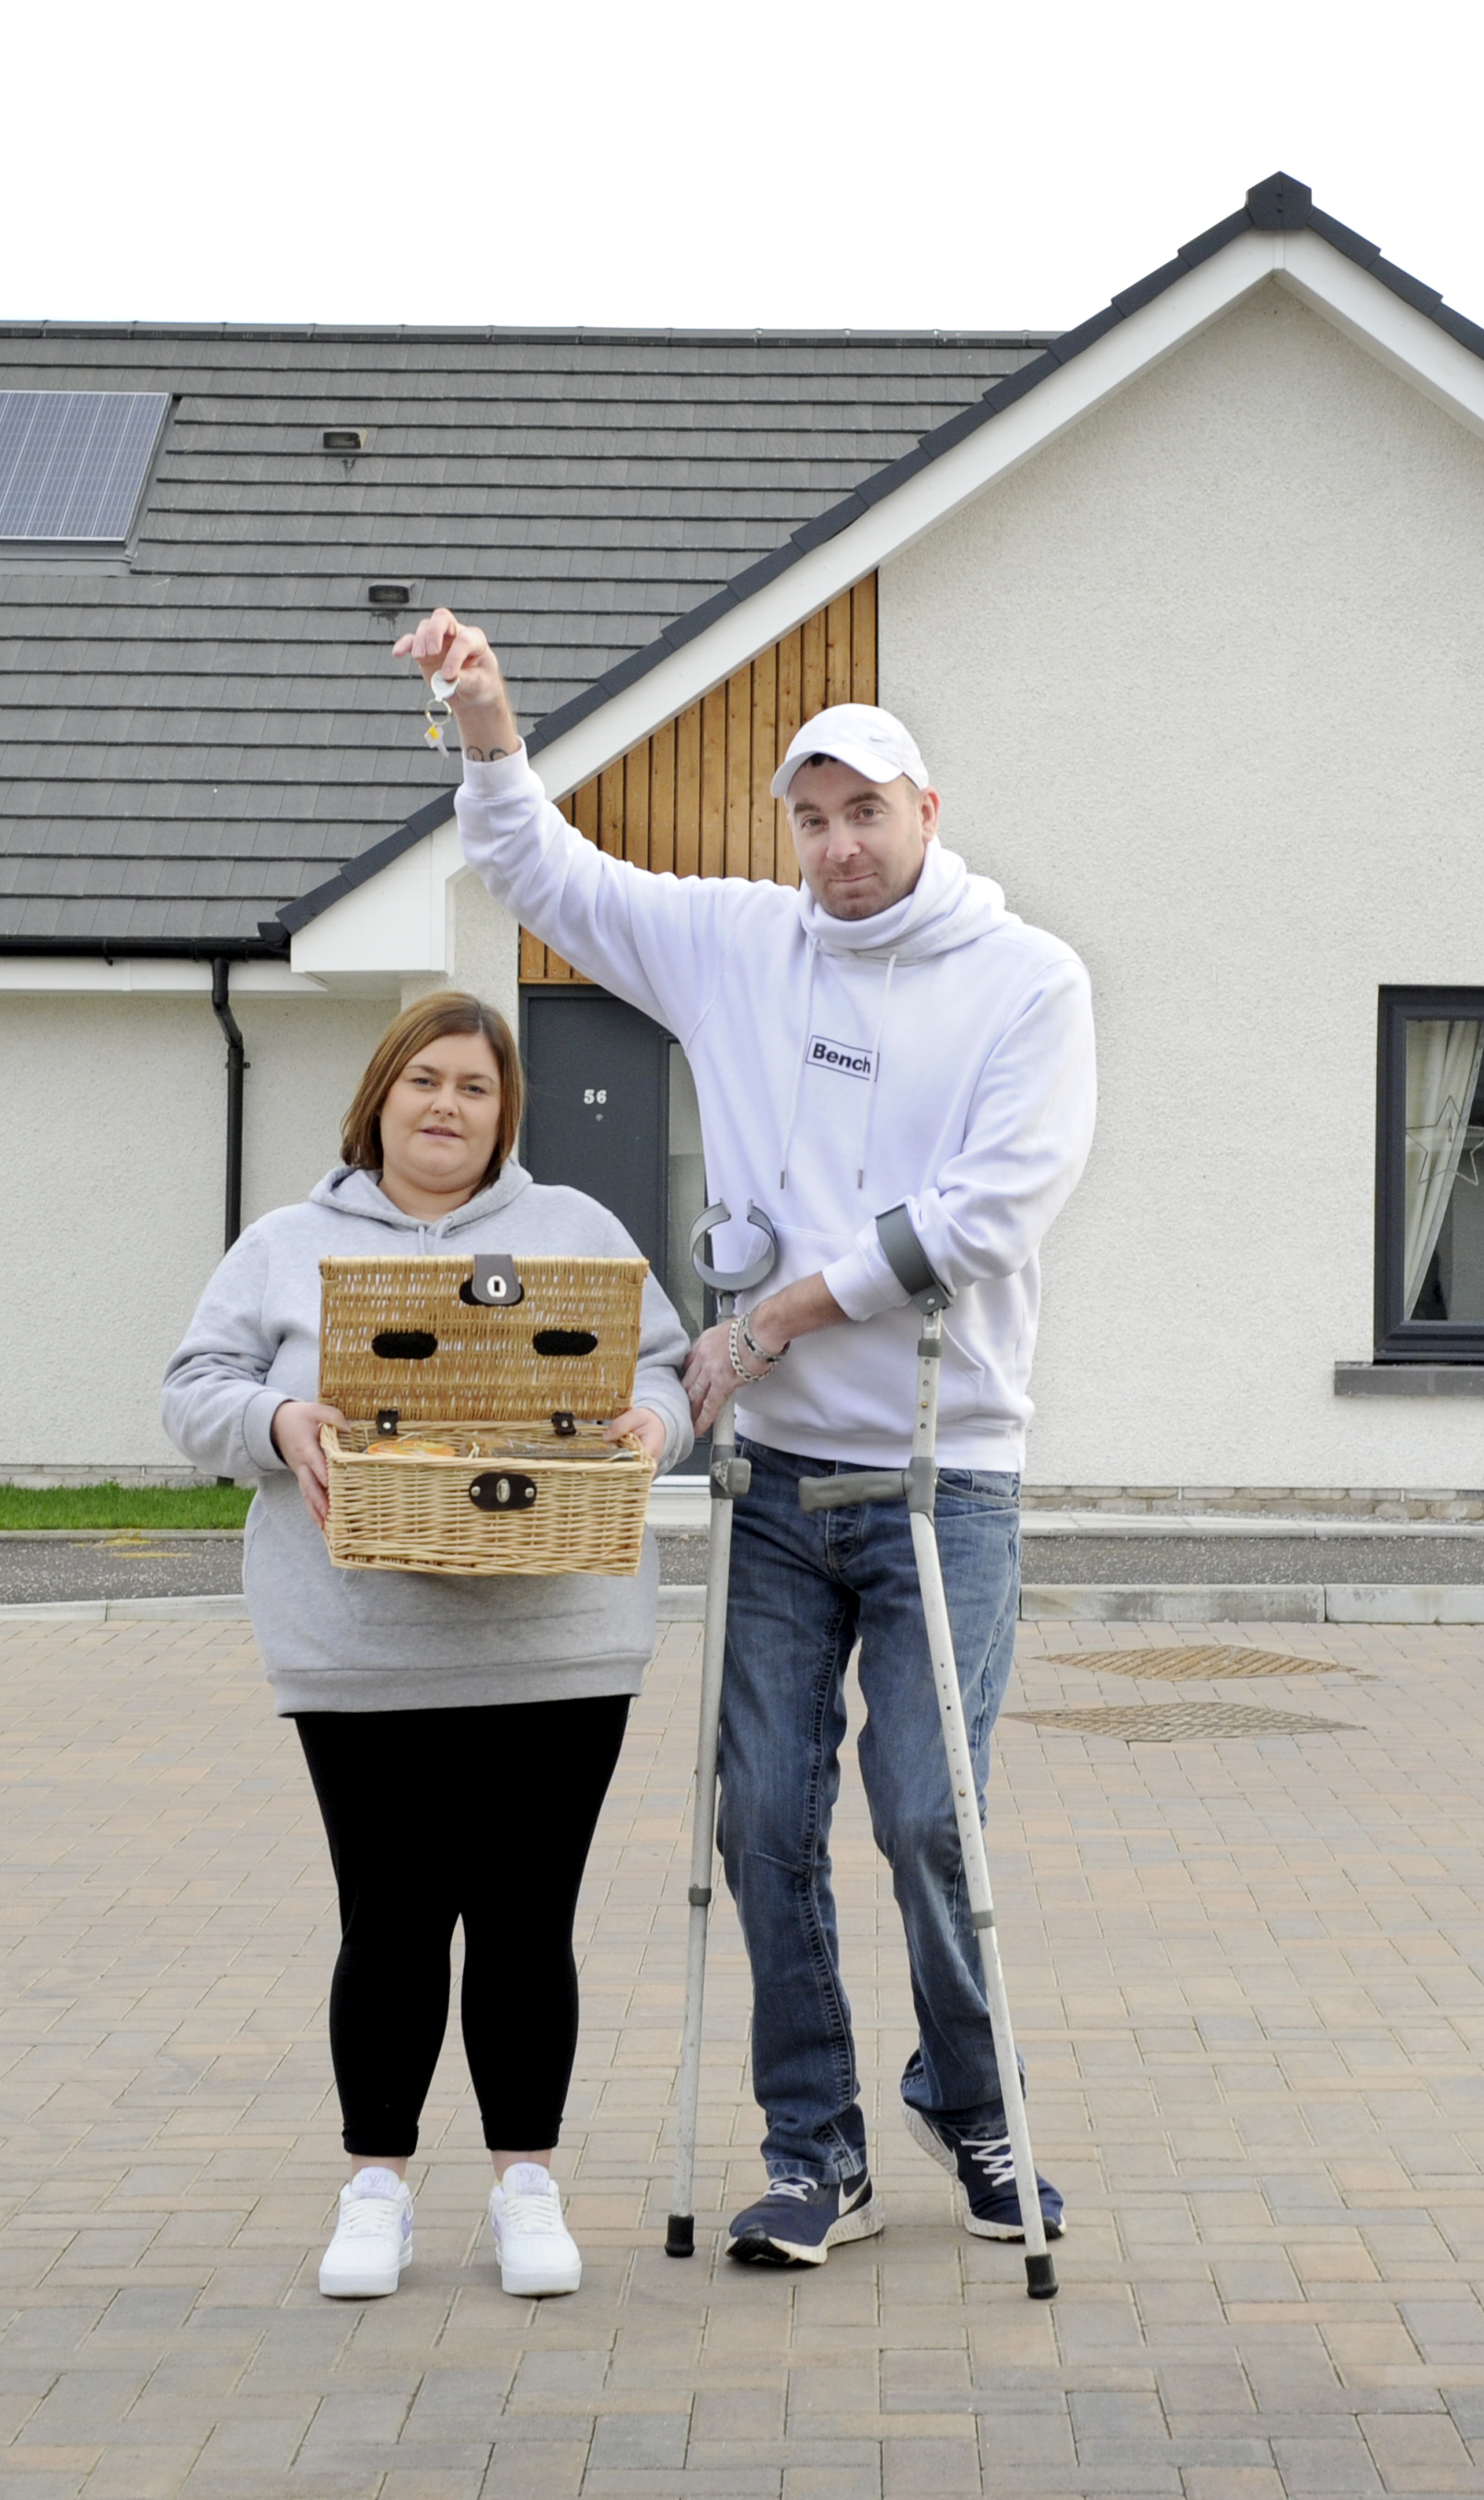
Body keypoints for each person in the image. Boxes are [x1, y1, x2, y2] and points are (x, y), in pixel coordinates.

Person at [393, 609, 1097, 2270]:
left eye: (867, 811)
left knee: (931, 1812)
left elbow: (989, 1213)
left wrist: (772, 1318)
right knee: (759, 1823)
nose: (839, 846)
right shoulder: (734, 943)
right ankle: (814, 2148)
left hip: (946, 1470)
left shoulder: (1027, 980)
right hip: (773, 1488)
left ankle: (970, 2100)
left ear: (928, 815)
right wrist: (489, 723)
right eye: (813, 816)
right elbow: (545, 874)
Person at [161, 992, 692, 2302]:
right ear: (381, 1099)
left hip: (559, 1644)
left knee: (526, 1921)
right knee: (390, 1920)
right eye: (425, 1082)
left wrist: (654, 1426)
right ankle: (376, 2188)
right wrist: (283, 1423)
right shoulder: (289, 1245)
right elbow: (193, 1390)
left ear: (506, 1111)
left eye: (475, 1086)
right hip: (360, 1648)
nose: (448, 1105)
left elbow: (665, 1370)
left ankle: (526, 2187)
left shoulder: (577, 1233)